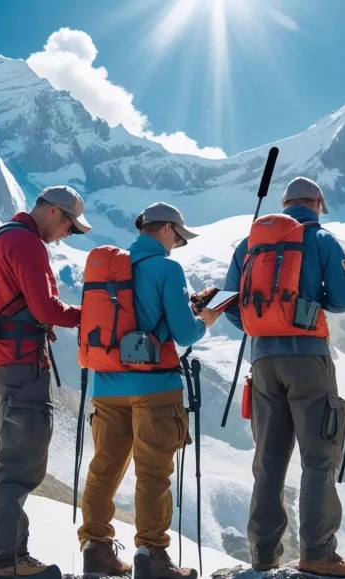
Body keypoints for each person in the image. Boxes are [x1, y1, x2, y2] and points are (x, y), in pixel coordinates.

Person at [223, 176, 345, 577]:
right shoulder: (321, 239)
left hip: (263, 362)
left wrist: (263, 326)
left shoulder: (250, 242)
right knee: (318, 458)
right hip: (309, 360)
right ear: (317, 203)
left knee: (267, 462)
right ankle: (318, 552)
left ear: (284, 204)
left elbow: (232, 304)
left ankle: (263, 556)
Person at [77, 202, 220, 579]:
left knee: (104, 467)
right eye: (179, 238)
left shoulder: (112, 269)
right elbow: (186, 333)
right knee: (153, 473)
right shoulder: (167, 268)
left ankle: (96, 549)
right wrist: (205, 318)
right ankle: (151, 555)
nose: (178, 245)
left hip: (106, 386)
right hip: (155, 386)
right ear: (169, 230)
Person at [0, 185, 92, 578]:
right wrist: (91, 315)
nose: (67, 235)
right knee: (19, 463)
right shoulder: (27, 243)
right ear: (54, 212)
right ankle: (7, 560)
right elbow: (45, 308)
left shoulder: (1, 236)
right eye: (70, 226)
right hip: (21, 363)